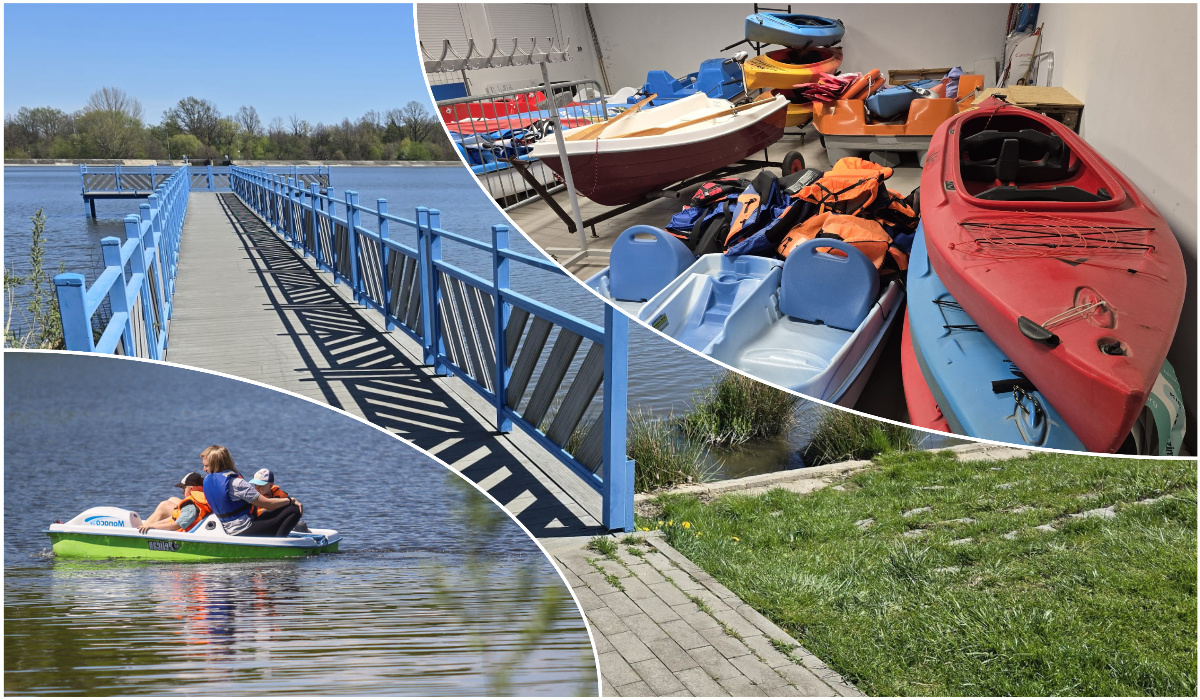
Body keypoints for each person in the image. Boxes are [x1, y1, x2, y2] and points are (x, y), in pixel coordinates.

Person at [199, 445, 303, 537]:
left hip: (228, 528)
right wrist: (291, 500)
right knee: (294, 509)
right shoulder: (236, 483)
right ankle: (278, 544)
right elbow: (267, 504)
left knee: (276, 512)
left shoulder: (207, 481)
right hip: (243, 529)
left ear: (217, 464)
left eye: (206, 466)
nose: (204, 469)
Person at [137, 472, 212, 534]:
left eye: (184, 490)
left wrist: (152, 526)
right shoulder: (204, 496)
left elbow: (177, 525)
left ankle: (140, 531)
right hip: (197, 517)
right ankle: (145, 526)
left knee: (164, 505)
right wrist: (153, 525)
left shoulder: (191, 506)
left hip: (187, 529)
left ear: (192, 489)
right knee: (172, 499)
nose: (183, 494)